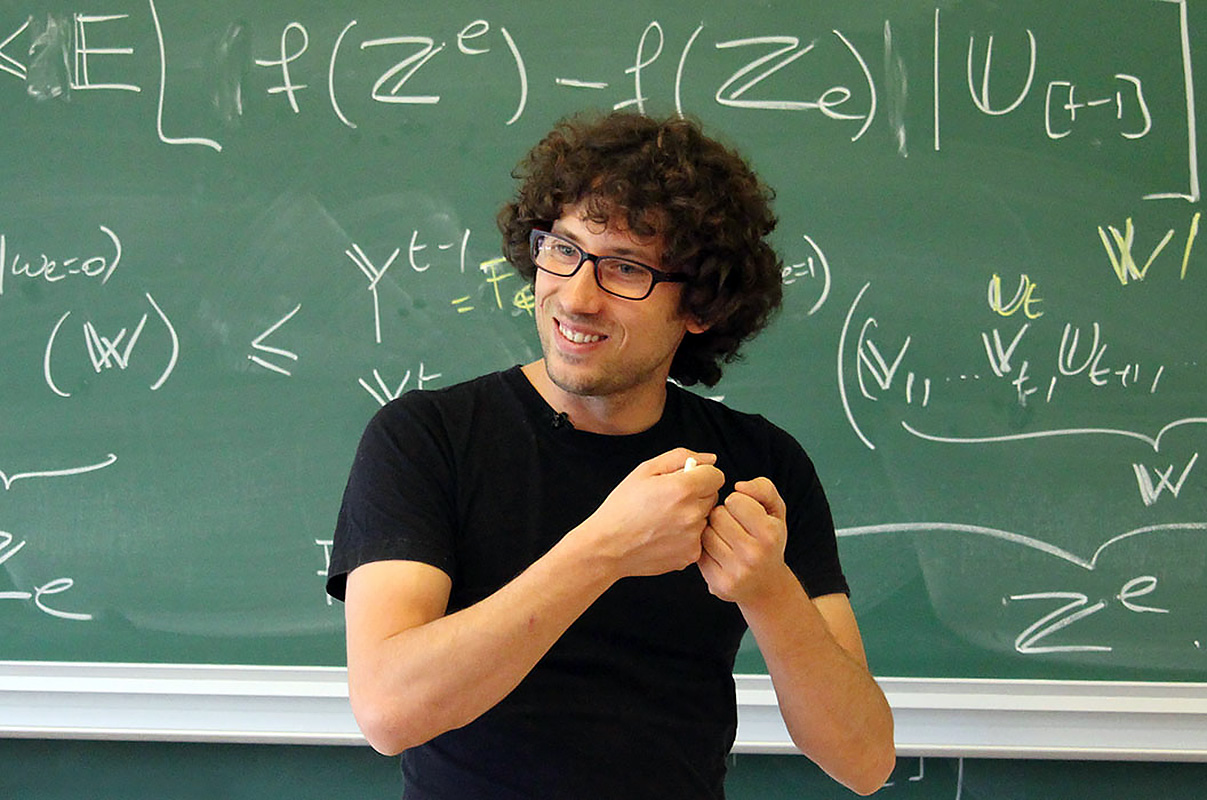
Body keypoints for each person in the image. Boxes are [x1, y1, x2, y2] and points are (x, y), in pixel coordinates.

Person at [326, 110, 895, 799]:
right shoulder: (427, 438)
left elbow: (865, 760)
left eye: (625, 269)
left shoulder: (758, 465)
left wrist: (769, 590)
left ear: (701, 307)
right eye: (563, 250)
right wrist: (605, 549)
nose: (576, 296)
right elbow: (388, 711)